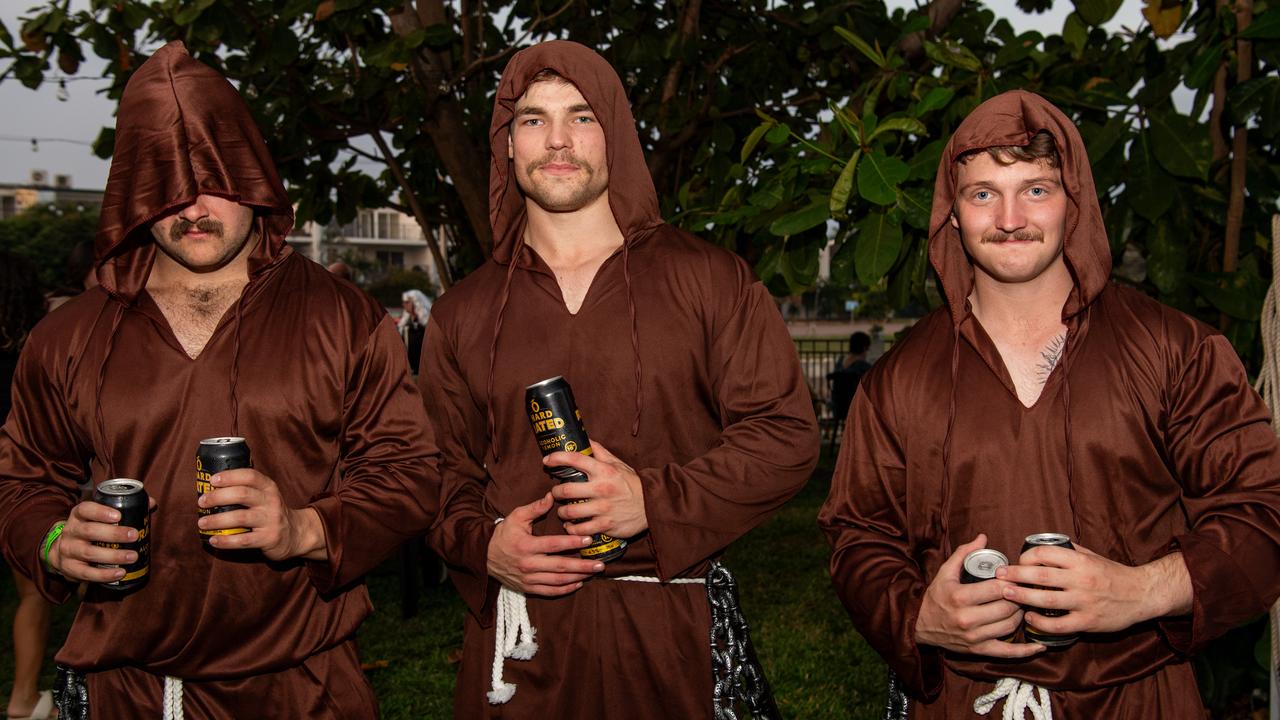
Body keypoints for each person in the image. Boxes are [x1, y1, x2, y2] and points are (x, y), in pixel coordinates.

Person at [0, 42, 440, 717]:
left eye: (212, 180)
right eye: (165, 188)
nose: (192, 209)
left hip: (303, 690)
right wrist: (54, 541)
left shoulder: (339, 316)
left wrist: (306, 529)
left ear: (252, 172)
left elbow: (409, 471)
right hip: (128, 692)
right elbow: (21, 479)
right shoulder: (69, 337)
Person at [818, 89, 1280, 718]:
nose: (1010, 218)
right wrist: (918, 616)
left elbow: (1262, 510)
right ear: (950, 214)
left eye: (1036, 189)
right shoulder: (898, 381)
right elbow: (859, 535)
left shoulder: (1176, 350)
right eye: (983, 194)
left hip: (1141, 698)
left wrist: (1143, 589)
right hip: (961, 700)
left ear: (1074, 203)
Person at [418, 40, 819, 718]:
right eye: (532, 120)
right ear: (507, 146)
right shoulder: (462, 312)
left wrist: (656, 502)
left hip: (675, 632)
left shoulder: (709, 279)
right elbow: (432, 470)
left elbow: (784, 437)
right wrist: (482, 544)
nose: (557, 140)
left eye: (580, 116)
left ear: (615, 135)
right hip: (519, 650)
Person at [1, 250, 57, 720]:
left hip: (17, 481)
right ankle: (21, 698)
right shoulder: (38, 345)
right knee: (33, 593)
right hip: (15, 480)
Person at [827, 330, 872, 426]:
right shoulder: (863, 366)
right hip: (856, 409)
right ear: (864, 348)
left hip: (838, 407)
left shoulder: (840, 361)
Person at [397, 289, 432, 375]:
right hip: (410, 367)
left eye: (407, 302)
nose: (404, 305)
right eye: (403, 302)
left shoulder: (426, 324)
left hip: (424, 366)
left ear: (415, 302)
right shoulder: (405, 322)